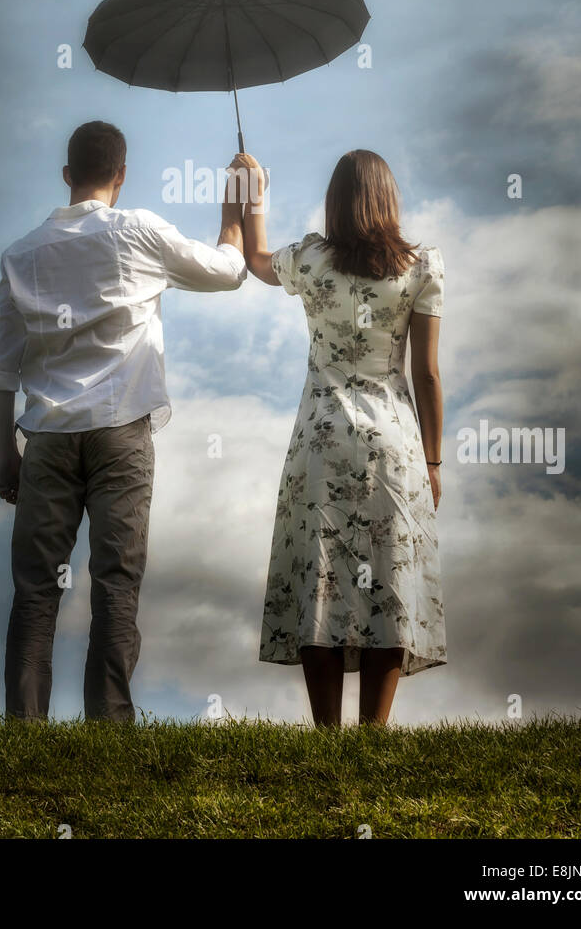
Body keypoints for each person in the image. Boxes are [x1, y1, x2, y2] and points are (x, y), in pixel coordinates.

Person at [0, 121, 246, 722]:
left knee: (34, 591)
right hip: (121, 433)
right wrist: (234, 211)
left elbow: (1, 370)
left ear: (67, 176)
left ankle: (22, 733)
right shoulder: (138, 231)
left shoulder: (21, 253)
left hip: (47, 436)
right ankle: (108, 727)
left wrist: (6, 453)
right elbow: (228, 272)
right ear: (121, 175)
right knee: (116, 582)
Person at [236, 148, 446, 727]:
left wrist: (251, 188)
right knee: (390, 578)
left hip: (321, 440)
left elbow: (254, 258)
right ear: (389, 198)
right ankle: (372, 734)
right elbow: (426, 374)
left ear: (335, 202)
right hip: (394, 443)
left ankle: (326, 732)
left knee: (320, 576)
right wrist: (433, 460)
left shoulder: (310, 259)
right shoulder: (423, 266)